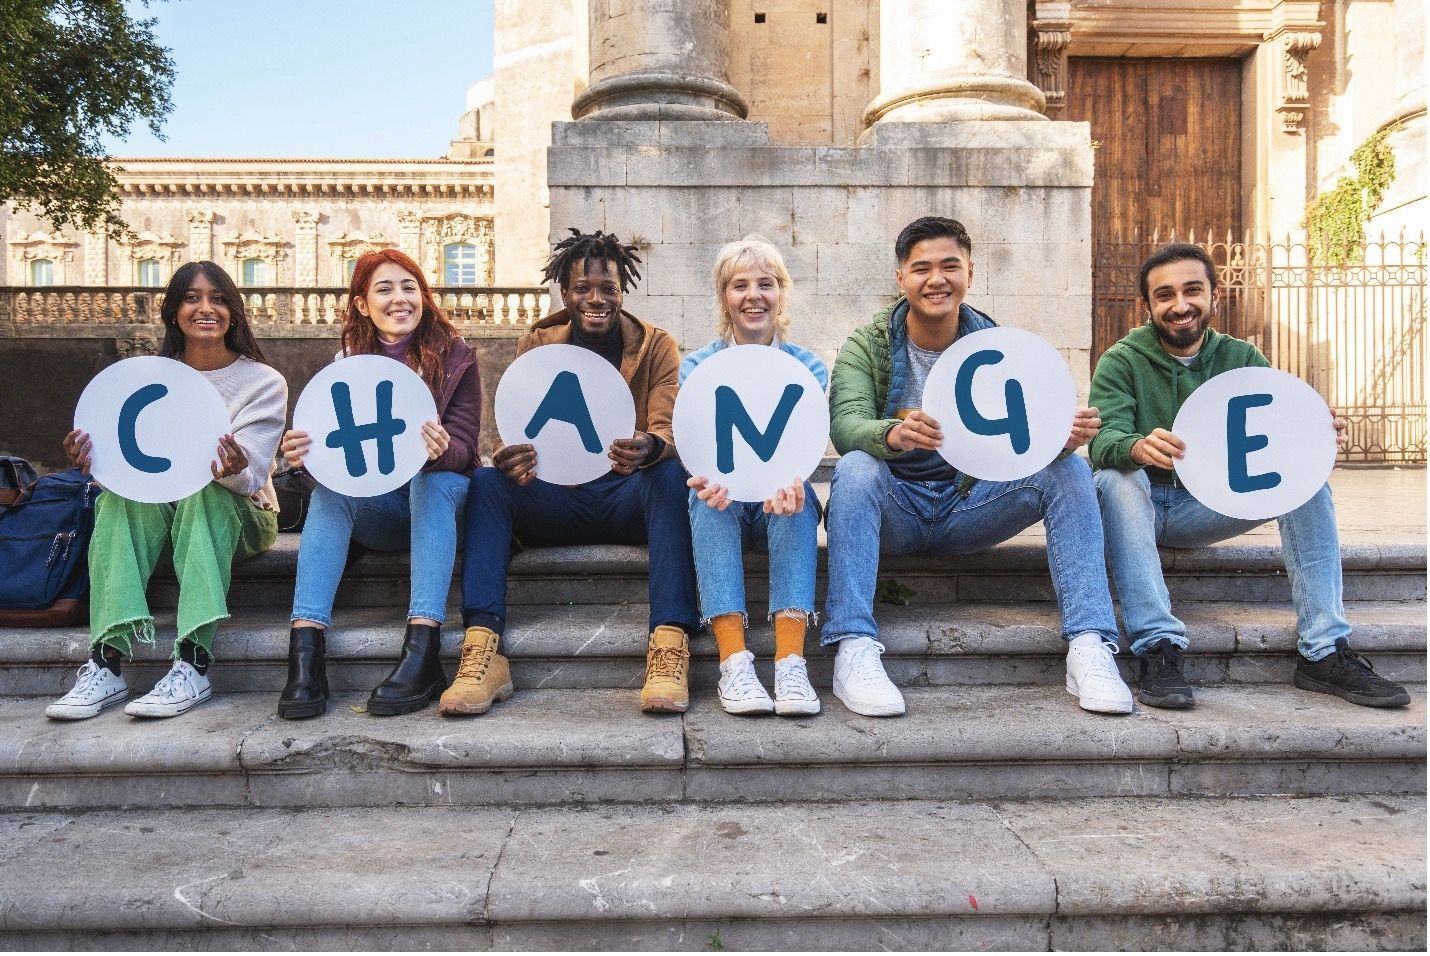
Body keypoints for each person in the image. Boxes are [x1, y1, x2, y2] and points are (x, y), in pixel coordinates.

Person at [822, 216, 1131, 718]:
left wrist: (1058, 440)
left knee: (1068, 471)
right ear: (901, 278)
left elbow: (1019, 447)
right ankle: (853, 645)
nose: (936, 279)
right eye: (921, 268)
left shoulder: (996, 345)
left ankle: (1089, 645)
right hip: (895, 506)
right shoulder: (869, 343)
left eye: (949, 266)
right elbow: (846, 423)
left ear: (970, 273)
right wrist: (891, 435)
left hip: (970, 504)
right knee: (856, 467)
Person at [1089, 242, 1410, 709]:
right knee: (1115, 479)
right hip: (1135, 503)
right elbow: (1101, 441)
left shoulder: (1241, 357)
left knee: (1308, 483)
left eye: (1192, 290)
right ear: (1150, 307)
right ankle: (1156, 645)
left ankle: (1323, 651)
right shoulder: (1121, 360)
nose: (1180, 305)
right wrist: (1135, 446)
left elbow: (1275, 432)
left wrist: (1313, 437)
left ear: (1214, 297)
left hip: (1206, 508)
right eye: (1165, 295)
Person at [445, 229, 699, 717]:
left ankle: (669, 643)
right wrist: (508, 456)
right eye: (583, 288)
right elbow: (520, 426)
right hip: (557, 498)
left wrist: (650, 447)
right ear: (565, 292)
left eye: (608, 288)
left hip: (625, 495)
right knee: (486, 482)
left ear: (623, 289)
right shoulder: (537, 343)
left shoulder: (656, 345)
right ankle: (483, 649)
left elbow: (667, 428)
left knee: (668, 478)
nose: (596, 299)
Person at [47, 261, 287, 720]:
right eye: (192, 298)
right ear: (173, 312)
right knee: (115, 499)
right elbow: (132, 470)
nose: (205, 308)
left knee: (207, 491)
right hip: (162, 513)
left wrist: (231, 468)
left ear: (234, 312)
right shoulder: (145, 378)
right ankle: (105, 663)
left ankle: (193, 663)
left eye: (217, 298)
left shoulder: (262, 381)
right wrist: (93, 461)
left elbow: (251, 478)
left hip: (242, 513)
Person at [277, 249, 480, 719]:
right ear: (362, 305)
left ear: (424, 298)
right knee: (330, 495)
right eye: (384, 289)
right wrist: (305, 456)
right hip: (384, 510)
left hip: (443, 503)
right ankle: (306, 655)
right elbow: (340, 463)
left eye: (410, 287)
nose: (400, 299)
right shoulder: (347, 366)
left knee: (433, 483)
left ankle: (423, 650)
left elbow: (466, 451)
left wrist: (437, 448)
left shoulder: (456, 356)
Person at [682, 235, 825, 716]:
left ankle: (790, 664)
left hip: (775, 506)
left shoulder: (808, 368)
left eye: (766, 283)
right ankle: (735, 664)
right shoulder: (697, 367)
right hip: (725, 500)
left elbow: (801, 446)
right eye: (739, 285)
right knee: (707, 502)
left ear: (780, 293)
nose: (753, 295)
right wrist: (703, 479)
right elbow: (696, 444)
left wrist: (788, 485)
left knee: (797, 498)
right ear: (724, 297)